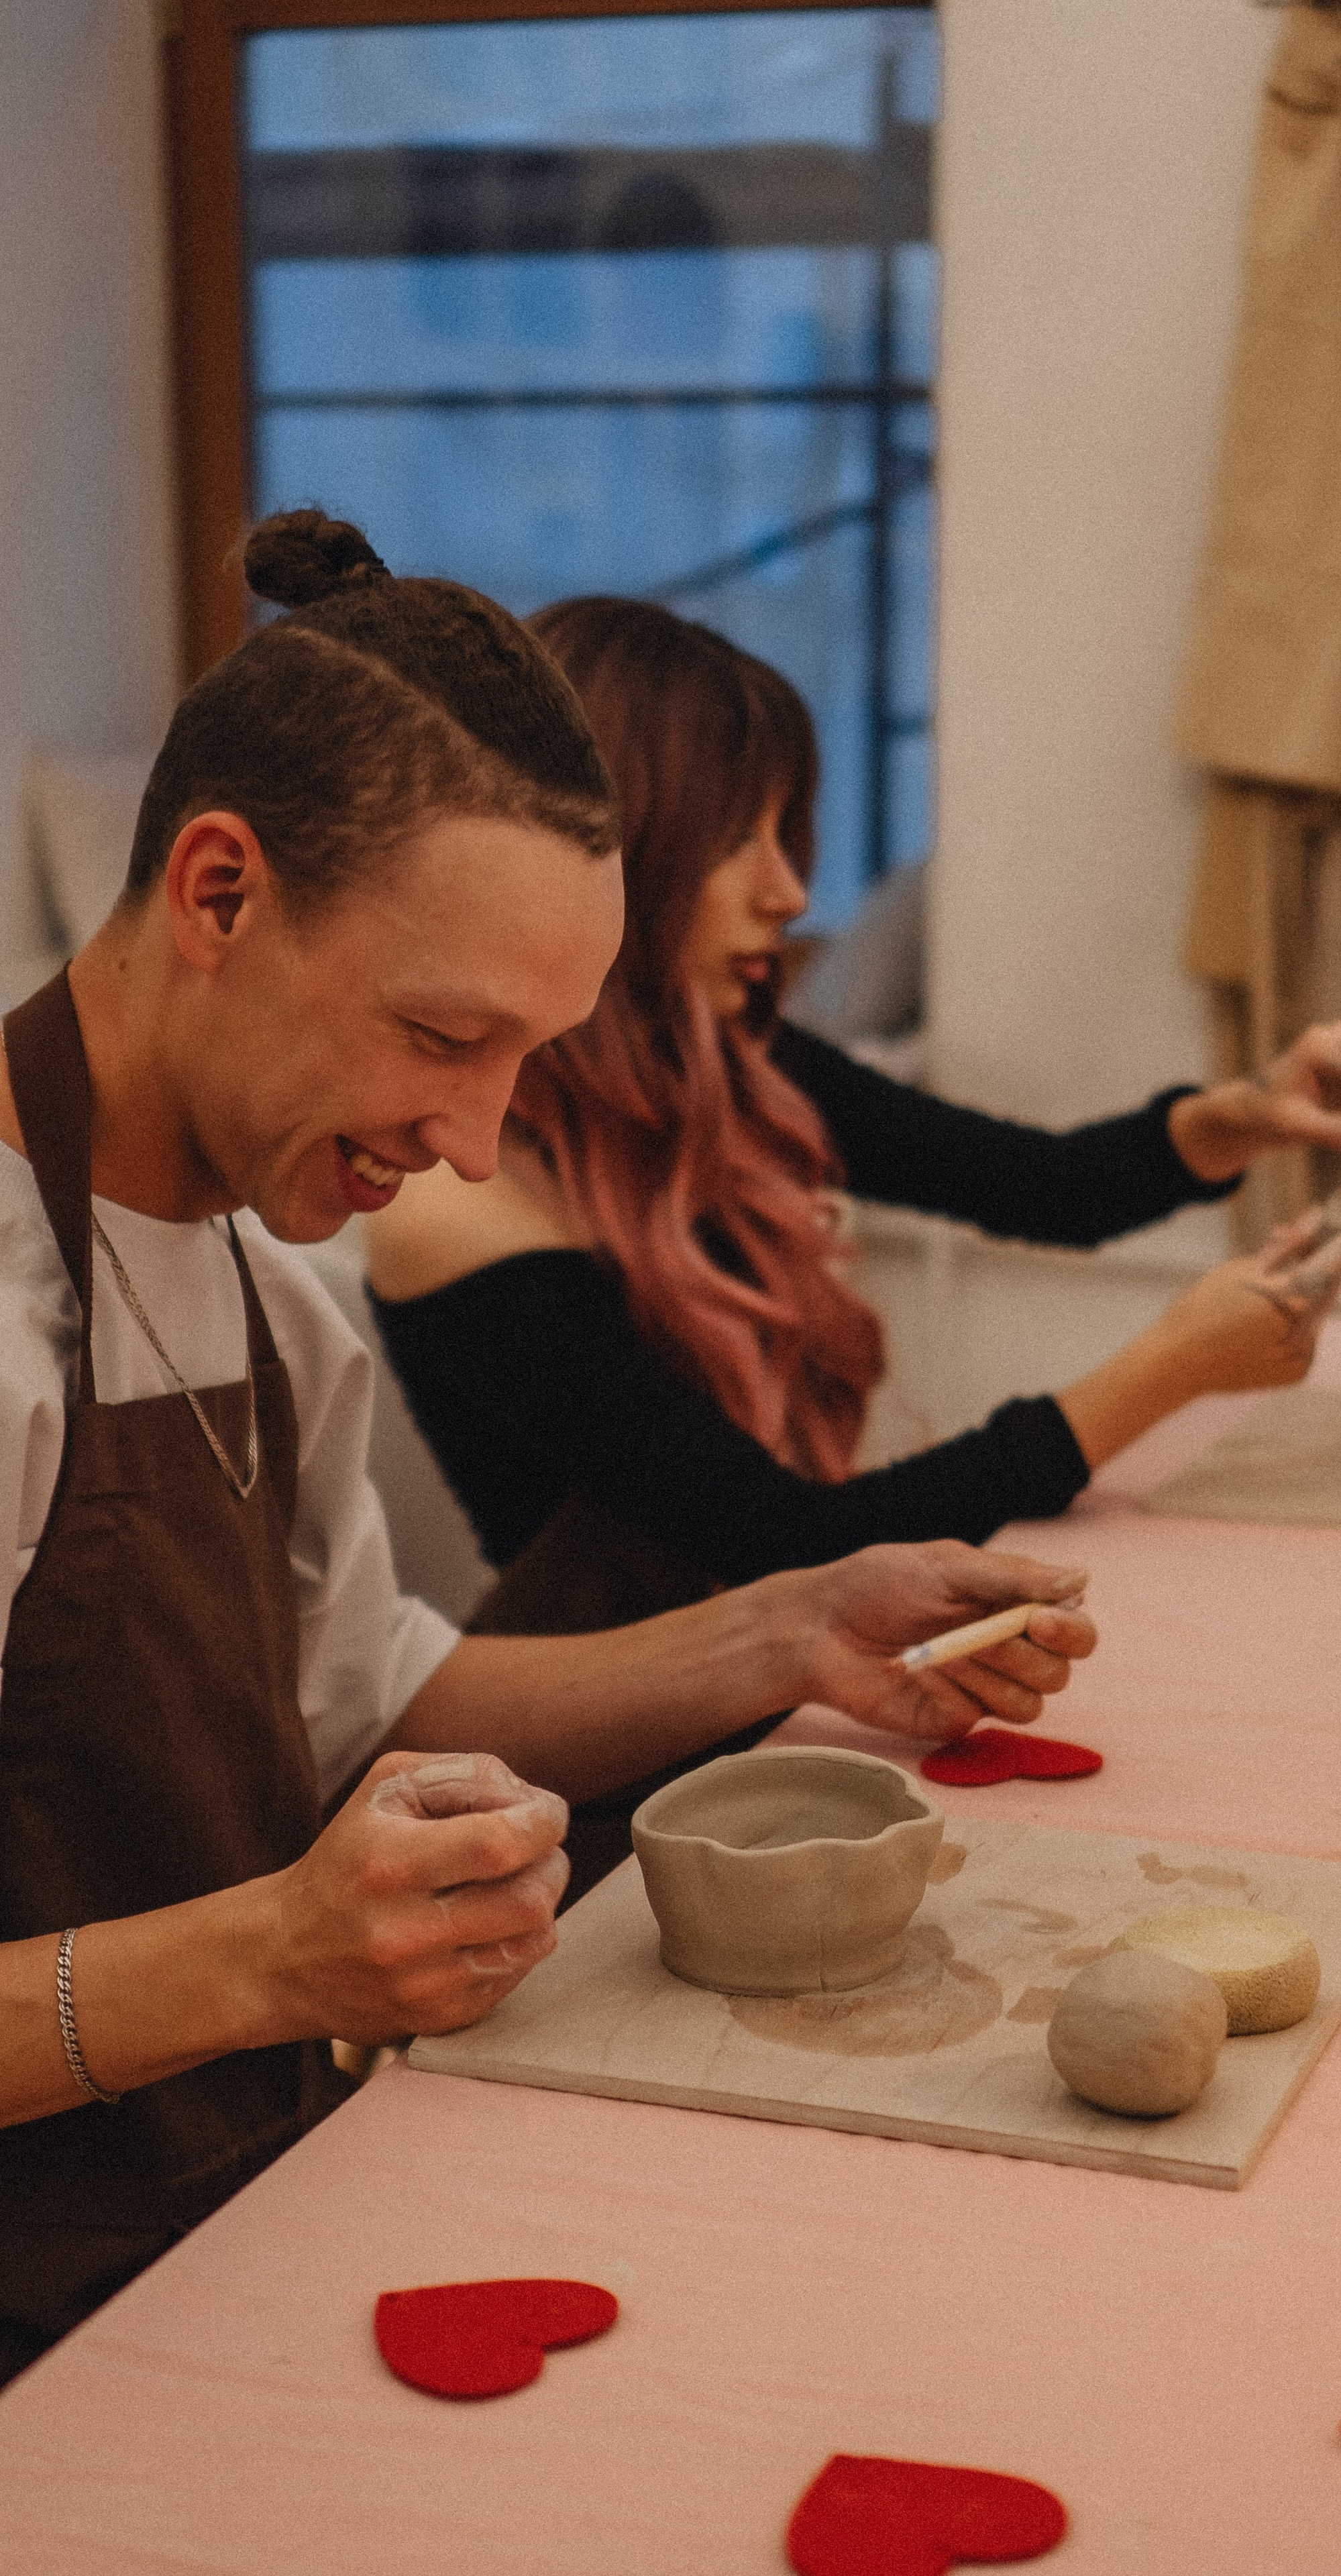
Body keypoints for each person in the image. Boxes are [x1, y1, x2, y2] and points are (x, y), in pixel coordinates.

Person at [0, 517, 1094, 2383]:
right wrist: (270, 1961)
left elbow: (372, 1704)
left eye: (533, 1059)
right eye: (443, 1035)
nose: (481, 1143)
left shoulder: (268, 1299)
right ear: (215, 893)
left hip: (221, 2241)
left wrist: (787, 1631)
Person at [366, 599, 1341, 1631]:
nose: (788, 892)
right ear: (608, 853)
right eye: (738, 836)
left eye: (789, 833)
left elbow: (1041, 1187)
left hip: (781, 1687)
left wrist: (1245, 1114)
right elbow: (788, 1547)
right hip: (605, 1767)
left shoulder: (735, 1067)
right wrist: (1167, 1372)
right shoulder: (460, 1201)